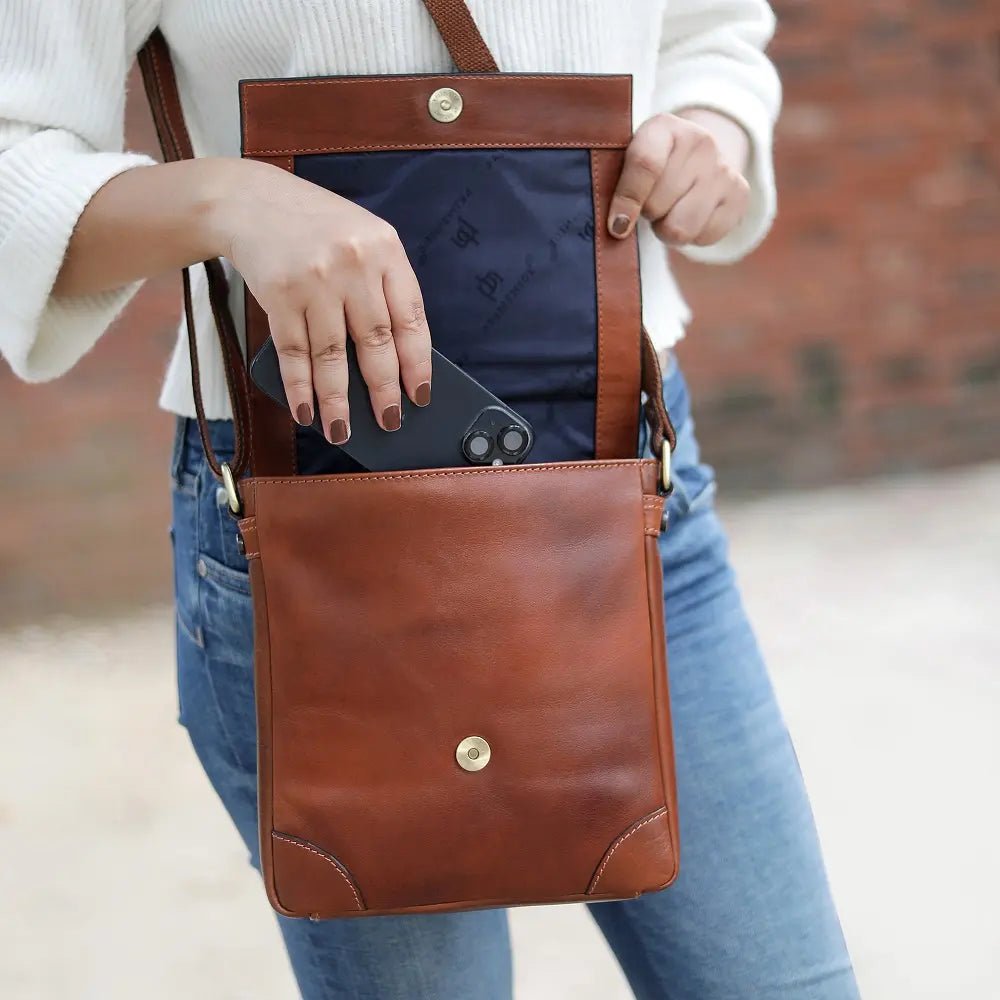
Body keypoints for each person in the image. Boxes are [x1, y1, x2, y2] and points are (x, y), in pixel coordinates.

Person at [0, 2, 860, 998]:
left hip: (626, 498)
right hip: (311, 518)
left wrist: (710, 134)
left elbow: (710, 33)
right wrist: (231, 199)